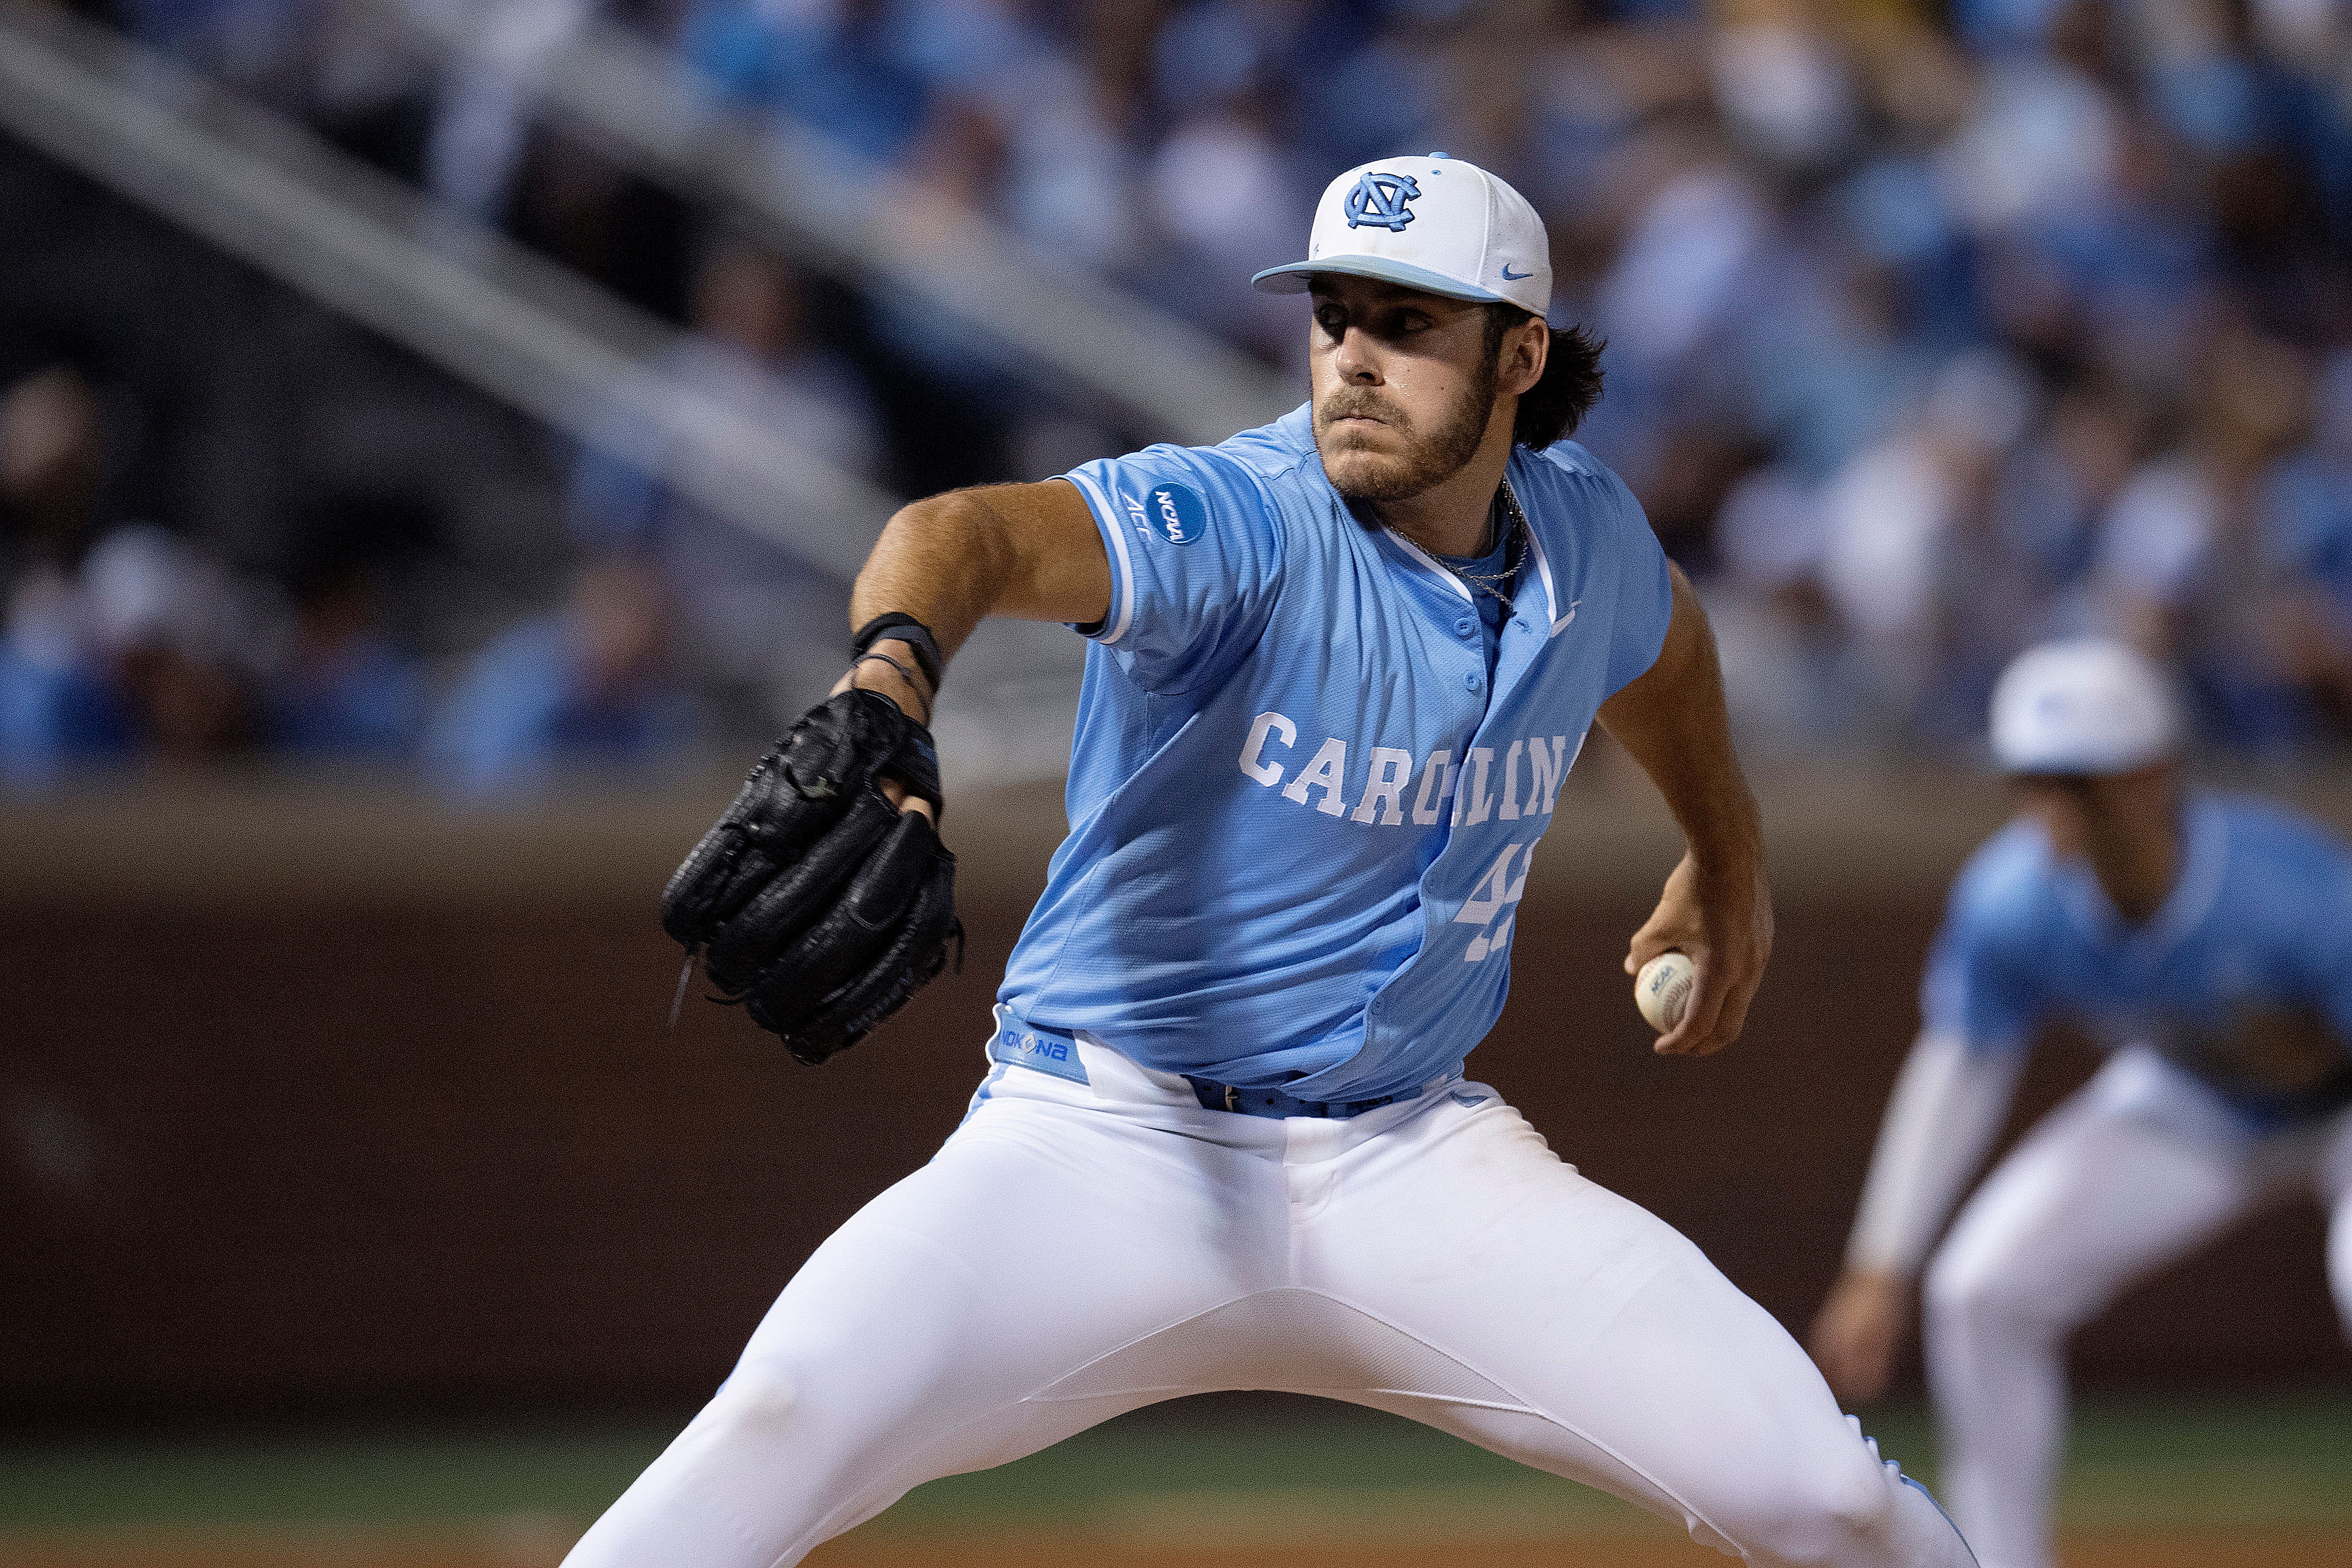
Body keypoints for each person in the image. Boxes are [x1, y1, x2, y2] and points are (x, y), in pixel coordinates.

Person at [566, 154, 1976, 1568]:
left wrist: (1727, 856)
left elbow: (1664, 651)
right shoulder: (1241, 519)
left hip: (1411, 1156)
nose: (1354, 360)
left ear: (1520, 353)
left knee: (1837, 1504)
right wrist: (888, 687)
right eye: (1333, 317)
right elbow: (964, 533)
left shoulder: (1588, 530)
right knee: (776, 1425)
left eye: (1409, 323)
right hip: (1104, 1145)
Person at [1809, 638, 2352, 1568]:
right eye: (2029, 780)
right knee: (1981, 1289)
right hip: (2197, 1103)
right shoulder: (2012, 898)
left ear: (2152, 776)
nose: (2046, 806)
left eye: (2074, 779)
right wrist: (1881, 1260)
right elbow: (1961, 1068)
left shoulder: (2291, 888)